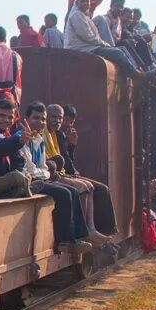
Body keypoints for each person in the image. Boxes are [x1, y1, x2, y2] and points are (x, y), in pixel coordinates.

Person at [19, 102, 95, 253]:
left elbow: (42, 167)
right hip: (28, 179)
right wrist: (45, 174)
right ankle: (65, 240)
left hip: (39, 177)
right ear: (26, 119)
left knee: (72, 191)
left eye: (42, 119)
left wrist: (45, 173)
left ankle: (78, 237)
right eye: (36, 118)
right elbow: (30, 168)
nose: (40, 122)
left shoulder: (39, 139)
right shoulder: (21, 138)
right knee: (65, 193)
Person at [44, 104, 118, 244]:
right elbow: (62, 160)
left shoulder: (57, 134)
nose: (58, 121)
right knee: (84, 188)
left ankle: (99, 231)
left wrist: (71, 146)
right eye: (54, 117)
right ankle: (84, 231)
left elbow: (66, 158)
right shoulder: (48, 133)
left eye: (60, 118)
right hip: (52, 174)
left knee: (96, 188)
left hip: (61, 172)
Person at [64, 0, 151, 80]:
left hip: (88, 46)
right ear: (77, 2)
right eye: (83, 1)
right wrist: (105, 44)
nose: (86, 3)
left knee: (121, 49)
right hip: (81, 48)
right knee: (117, 52)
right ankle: (137, 76)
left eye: (87, 1)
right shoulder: (77, 15)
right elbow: (87, 37)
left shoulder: (83, 16)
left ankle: (143, 70)